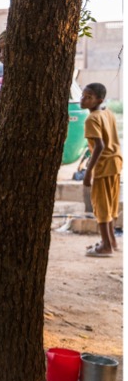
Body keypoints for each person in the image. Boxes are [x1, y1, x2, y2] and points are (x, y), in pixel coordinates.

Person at [81, 83, 123, 257]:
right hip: (116, 162)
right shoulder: (108, 112)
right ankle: (112, 240)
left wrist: (88, 171)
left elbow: (99, 145)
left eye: (88, 97)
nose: (83, 99)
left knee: (101, 206)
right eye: (83, 95)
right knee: (110, 204)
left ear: (99, 100)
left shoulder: (91, 119)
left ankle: (105, 246)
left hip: (103, 166)